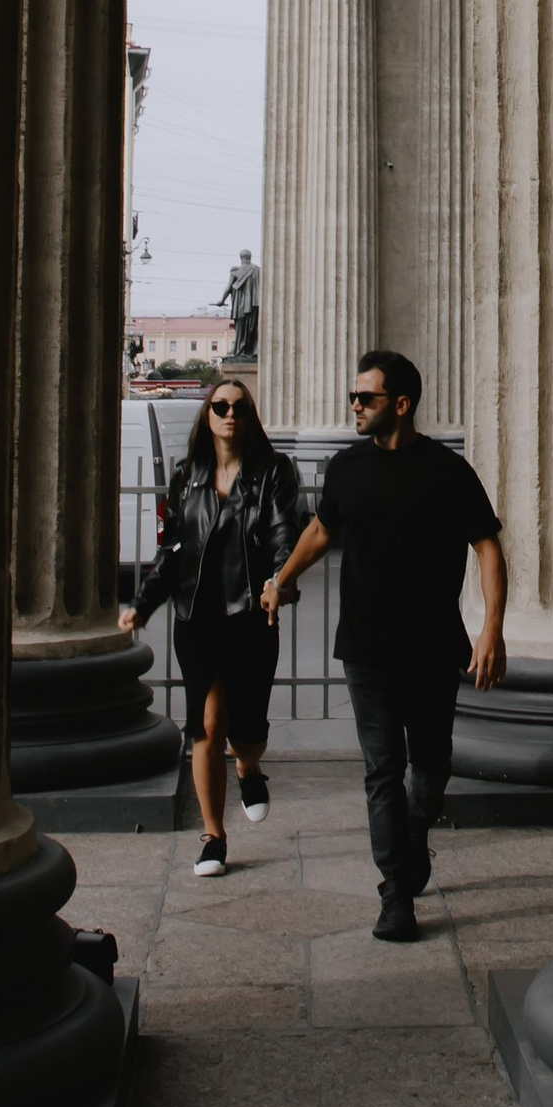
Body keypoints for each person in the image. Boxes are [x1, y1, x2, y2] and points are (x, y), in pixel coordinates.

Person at [264, 349, 505, 943]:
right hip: (366, 646)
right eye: (353, 395)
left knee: (431, 769)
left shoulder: (448, 472)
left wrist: (492, 630)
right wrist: (281, 579)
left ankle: (414, 831)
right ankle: (395, 893)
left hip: (433, 646)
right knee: (382, 769)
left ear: (400, 403)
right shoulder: (346, 467)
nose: (353, 405)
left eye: (364, 397)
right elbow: (320, 530)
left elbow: (487, 548)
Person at [119, 379, 304, 879]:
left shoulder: (273, 472)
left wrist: (279, 582)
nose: (229, 414)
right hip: (196, 617)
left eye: (239, 408)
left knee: (247, 733)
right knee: (206, 722)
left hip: (250, 615)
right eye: (220, 406)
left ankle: (248, 767)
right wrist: (142, 604)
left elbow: (285, 534)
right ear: (207, 416)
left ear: (249, 417)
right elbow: (171, 551)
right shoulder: (188, 475)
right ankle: (213, 837)